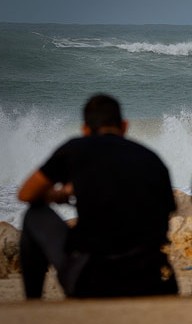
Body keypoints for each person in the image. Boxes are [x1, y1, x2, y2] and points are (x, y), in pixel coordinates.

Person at [18, 94, 178, 299]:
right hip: (150, 279)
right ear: (125, 126)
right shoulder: (152, 158)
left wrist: (59, 194)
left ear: (85, 130)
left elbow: (26, 194)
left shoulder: (75, 149)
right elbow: (165, 213)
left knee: (35, 214)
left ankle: (32, 303)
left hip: (92, 281)